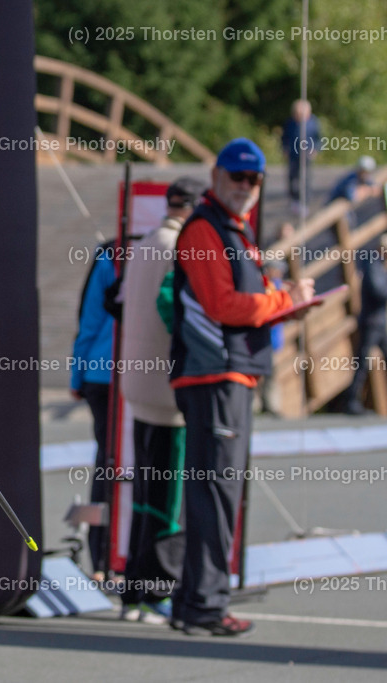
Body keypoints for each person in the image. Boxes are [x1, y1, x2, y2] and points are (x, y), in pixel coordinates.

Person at [169, 138, 314, 636]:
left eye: (254, 179)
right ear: (216, 175)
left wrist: (283, 301)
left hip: (226, 374)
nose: (246, 186)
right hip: (214, 374)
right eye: (238, 176)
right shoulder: (206, 227)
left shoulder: (232, 228)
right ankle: (204, 605)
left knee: (215, 492)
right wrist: (285, 302)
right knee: (216, 493)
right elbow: (223, 305)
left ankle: (195, 602)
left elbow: (239, 301)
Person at [117, 177, 204, 623]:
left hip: (138, 384)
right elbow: (176, 311)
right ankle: (157, 589)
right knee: (168, 501)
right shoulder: (178, 247)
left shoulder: (145, 243)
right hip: (169, 392)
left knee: (144, 495)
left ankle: (135, 589)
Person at [70, 240, 117, 580]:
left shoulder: (111, 254)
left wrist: (78, 375)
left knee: (106, 464)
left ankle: (101, 558)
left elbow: (89, 319)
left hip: (102, 374)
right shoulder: (111, 255)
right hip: (119, 376)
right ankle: (105, 557)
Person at [342, 236, 387, 415]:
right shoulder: (373, 264)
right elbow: (378, 290)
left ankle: (352, 400)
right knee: (362, 362)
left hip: (380, 322)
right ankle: (351, 401)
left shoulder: (380, 265)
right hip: (371, 322)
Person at [281, 99, 321, 215]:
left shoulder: (313, 123)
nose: (298, 117)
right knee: (292, 178)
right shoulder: (290, 123)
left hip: (306, 155)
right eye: (296, 114)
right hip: (293, 154)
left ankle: (304, 202)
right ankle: (294, 200)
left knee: (305, 178)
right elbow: (285, 137)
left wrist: (315, 149)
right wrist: (285, 149)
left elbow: (318, 139)